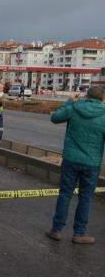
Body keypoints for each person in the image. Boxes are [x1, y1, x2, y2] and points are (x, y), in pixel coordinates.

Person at [46, 86, 105, 245]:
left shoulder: (74, 108)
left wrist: (68, 102)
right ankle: (79, 234)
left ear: (86, 96)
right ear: (102, 98)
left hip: (71, 160)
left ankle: (56, 230)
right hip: (92, 163)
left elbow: (55, 118)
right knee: (86, 198)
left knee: (65, 194)